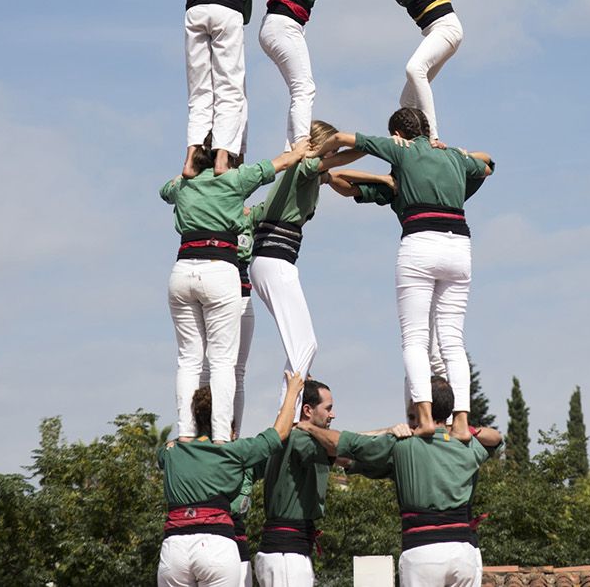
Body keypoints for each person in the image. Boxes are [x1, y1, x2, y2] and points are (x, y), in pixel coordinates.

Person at [317, 109, 493, 434]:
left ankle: (424, 419)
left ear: (398, 134)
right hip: (459, 245)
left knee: (414, 340)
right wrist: (454, 151)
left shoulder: (401, 152)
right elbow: (487, 164)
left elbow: (341, 159)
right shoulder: (451, 157)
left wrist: (314, 159)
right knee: (452, 341)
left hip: (420, 243)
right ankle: (461, 422)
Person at [163, 137, 311, 442]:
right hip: (220, 269)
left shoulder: (185, 185)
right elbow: (277, 165)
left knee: (189, 360)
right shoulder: (233, 180)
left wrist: (188, 170)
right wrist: (298, 151)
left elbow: (165, 190)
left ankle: (187, 433)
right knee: (223, 363)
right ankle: (221, 436)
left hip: (182, 268)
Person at [298, 376, 502, 587]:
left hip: (423, 552)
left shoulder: (402, 445)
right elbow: (496, 439)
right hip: (464, 553)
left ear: (422, 406)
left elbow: (340, 444)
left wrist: (308, 428)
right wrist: (465, 431)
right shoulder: (467, 446)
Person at [173, 0, 303, 177]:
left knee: (199, 90)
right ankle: (222, 158)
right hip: (226, 10)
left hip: (195, 8)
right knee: (230, 88)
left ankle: (190, 158)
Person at [245, 120, 363, 409]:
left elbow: (342, 179)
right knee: (305, 344)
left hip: (269, 260)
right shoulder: (305, 167)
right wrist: (371, 147)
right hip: (275, 259)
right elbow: (332, 163)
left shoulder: (303, 175)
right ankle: (291, 417)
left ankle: (291, 411)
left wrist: (383, 180)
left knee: (299, 345)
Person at [158, 373, 306, 587]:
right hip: (215, 544)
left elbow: (163, 454)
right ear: (225, 419)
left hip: (174, 547)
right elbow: (280, 432)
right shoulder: (233, 452)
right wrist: (293, 392)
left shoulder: (171, 451)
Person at [321, 0, 460, 141]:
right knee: (406, 102)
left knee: (415, 69)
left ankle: (433, 137)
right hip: (435, 30)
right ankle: (415, 144)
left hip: (446, 27)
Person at [251, 378, 339, 587]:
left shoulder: (292, 438)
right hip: (286, 556)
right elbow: (342, 446)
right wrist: (388, 433)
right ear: (307, 410)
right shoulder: (299, 438)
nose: (332, 414)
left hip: (285, 553)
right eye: (328, 408)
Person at [257, 0, 330, 147]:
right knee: (304, 88)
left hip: (280, 24)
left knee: (299, 89)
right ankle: (299, 144)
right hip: (284, 24)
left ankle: (291, 148)